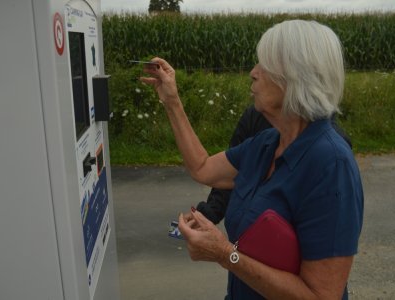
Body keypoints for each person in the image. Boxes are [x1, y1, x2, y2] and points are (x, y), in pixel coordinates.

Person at [140, 20, 363, 300]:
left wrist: (225, 255)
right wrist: (171, 100)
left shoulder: (331, 164)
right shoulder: (267, 143)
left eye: (264, 65)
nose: (252, 73)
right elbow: (202, 167)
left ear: (296, 76)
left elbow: (322, 296)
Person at [196, 105, 352, 224]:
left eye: (266, 68)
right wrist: (210, 213)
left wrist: (225, 254)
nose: (254, 73)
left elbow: (326, 258)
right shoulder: (254, 118)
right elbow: (227, 172)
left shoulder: (332, 153)